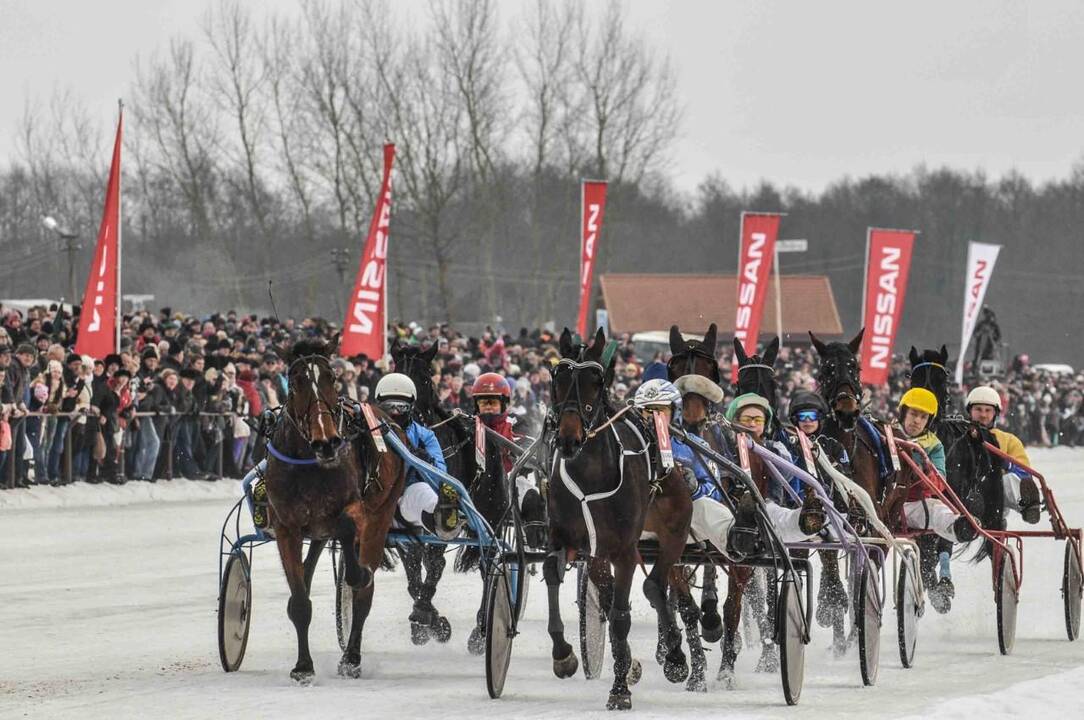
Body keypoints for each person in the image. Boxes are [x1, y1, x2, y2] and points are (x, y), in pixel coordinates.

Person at [634, 379, 757, 561]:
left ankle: (735, 539)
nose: (654, 416)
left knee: (705, 506)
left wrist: (695, 489)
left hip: (682, 526)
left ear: (674, 411)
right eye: (648, 410)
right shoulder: (625, 445)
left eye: (661, 410)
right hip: (634, 525)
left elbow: (715, 492)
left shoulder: (693, 445)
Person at [895, 387, 977, 612]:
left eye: (923, 417)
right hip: (884, 505)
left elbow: (939, 483)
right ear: (903, 412)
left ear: (928, 421)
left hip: (914, 505)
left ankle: (958, 527)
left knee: (937, 509)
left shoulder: (934, 445)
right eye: (913, 414)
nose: (916, 421)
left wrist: (924, 468)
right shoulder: (885, 433)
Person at [725, 392, 825, 541]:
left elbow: (787, 475)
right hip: (729, 507)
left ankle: (807, 520)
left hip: (766, 505)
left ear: (765, 424)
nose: (752, 424)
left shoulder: (775, 447)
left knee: (779, 518)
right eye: (746, 419)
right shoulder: (725, 447)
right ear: (734, 420)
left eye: (758, 420)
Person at [374, 373, 460, 539]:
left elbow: (440, 475)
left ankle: (443, 520)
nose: (395, 413)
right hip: (374, 496)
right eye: (389, 407)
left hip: (405, 497)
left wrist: (425, 460)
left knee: (422, 491)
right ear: (378, 406)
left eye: (401, 407)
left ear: (411, 407)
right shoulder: (368, 431)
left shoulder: (424, 436)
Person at [470, 372, 545, 546]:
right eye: (483, 403)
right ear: (476, 404)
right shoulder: (469, 424)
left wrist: (516, 454)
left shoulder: (516, 422)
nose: (488, 408)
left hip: (511, 479)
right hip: (475, 484)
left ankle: (534, 539)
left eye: (493, 402)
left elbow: (527, 444)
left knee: (532, 498)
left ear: (504, 403)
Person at [965, 385, 1042, 524]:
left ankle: (1029, 506)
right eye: (978, 409)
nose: (983, 415)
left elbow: (1024, 472)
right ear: (969, 411)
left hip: (996, 494)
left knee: (1011, 479)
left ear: (995, 413)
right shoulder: (960, 436)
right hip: (965, 492)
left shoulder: (1008, 439)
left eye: (988, 410)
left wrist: (1006, 464)